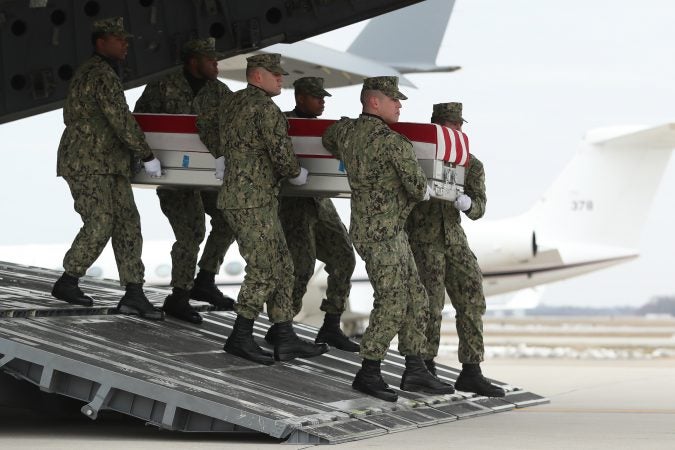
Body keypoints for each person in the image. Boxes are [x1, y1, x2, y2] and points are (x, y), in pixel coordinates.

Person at [322, 76, 453, 402]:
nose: (400, 105)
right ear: (374, 102)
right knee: (394, 302)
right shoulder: (395, 144)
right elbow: (417, 189)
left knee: (417, 297)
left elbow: (327, 139)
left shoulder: (346, 132)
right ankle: (368, 371)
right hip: (385, 234)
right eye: (394, 99)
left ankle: (415, 368)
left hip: (374, 232)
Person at [217, 54, 329, 365]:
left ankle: (283, 335)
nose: (281, 79)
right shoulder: (265, 109)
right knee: (265, 268)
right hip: (252, 199)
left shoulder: (231, 103)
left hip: (248, 198)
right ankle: (240, 335)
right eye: (274, 74)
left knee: (283, 265)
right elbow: (281, 151)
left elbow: (208, 126)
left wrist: (221, 155)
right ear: (256, 76)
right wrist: (296, 173)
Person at [51, 17, 163, 320]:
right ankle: (68, 280)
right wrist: (147, 154)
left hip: (108, 163)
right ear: (101, 42)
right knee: (101, 220)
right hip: (88, 161)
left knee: (128, 222)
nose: (126, 44)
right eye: (119, 39)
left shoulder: (103, 72)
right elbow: (121, 119)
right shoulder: (99, 73)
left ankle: (134, 293)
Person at [134, 38, 236, 324]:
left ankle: (205, 279)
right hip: (173, 176)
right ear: (194, 61)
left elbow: (238, 123)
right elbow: (140, 122)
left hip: (207, 176)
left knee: (230, 215)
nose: (217, 64)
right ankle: (179, 295)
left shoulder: (219, 92)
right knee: (192, 231)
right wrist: (147, 158)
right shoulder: (162, 85)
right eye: (211, 59)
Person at [406, 102, 505, 397]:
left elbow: (480, 207)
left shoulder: (471, 164)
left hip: (454, 240)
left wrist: (469, 204)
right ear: (437, 127)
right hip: (424, 241)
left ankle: (471, 370)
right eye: (450, 125)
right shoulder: (419, 157)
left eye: (459, 125)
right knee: (430, 306)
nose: (456, 130)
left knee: (473, 299)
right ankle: (426, 366)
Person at [265, 77, 359, 352]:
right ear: (300, 97)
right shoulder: (281, 123)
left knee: (343, 257)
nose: (322, 102)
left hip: (320, 200)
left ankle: (331, 325)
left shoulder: (327, 129)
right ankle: (281, 327)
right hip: (292, 203)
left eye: (323, 97)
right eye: (317, 97)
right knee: (300, 265)